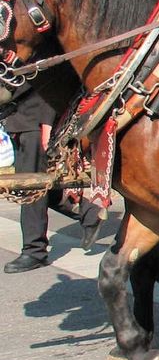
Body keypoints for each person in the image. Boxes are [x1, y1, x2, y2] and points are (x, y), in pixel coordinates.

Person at [4, 79, 104, 273]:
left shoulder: (29, 49)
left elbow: (49, 77)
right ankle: (89, 211)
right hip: (18, 119)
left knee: (31, 187)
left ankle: (34, 251)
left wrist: (48, 122)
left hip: (36, 118)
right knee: (34, 188)